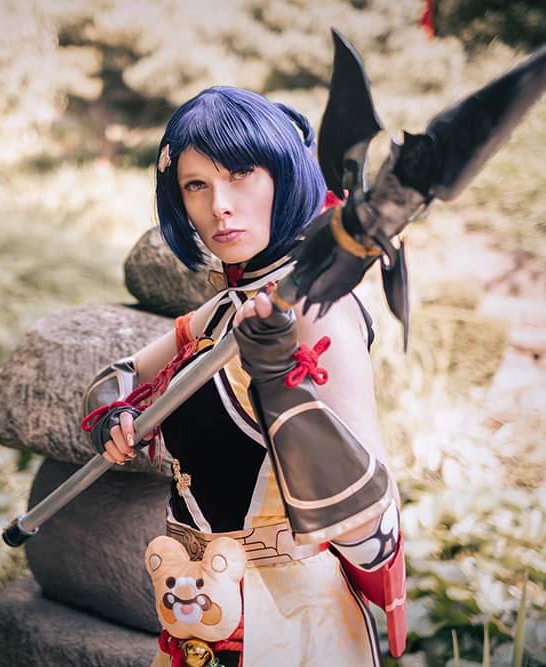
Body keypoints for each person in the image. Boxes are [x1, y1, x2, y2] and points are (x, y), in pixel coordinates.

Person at [82, 86, 404, 666]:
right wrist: (116, 416)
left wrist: (278, 379)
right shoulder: (224, 311)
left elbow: (373, 521)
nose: (219, 206)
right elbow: (121, 375)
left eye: (240, 175)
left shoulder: (319, 311)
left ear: (285, 175)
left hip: (289, 621)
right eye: (196, 185)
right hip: (197, 611)